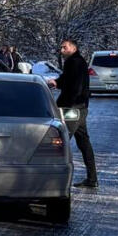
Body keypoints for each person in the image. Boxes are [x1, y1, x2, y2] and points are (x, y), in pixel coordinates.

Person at [46, 38, 98, 188]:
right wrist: (57, 82)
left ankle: (53, 180)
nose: (62, 51)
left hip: (73, 109)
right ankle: (92, 178)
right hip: (79, 107)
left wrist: (65, 106)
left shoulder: (74, 62)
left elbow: (75, 87)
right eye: (61, 48)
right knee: (83, 143)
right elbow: (68, 80)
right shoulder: (77, 61)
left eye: (65, 48)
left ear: (73, 48)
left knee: (59, 141)